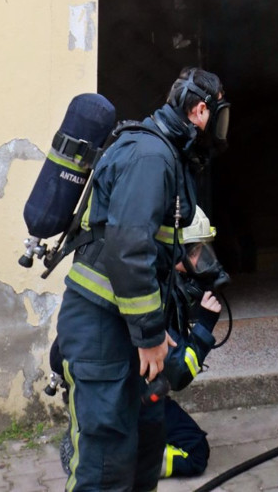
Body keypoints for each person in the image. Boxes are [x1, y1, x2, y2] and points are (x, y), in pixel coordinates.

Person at [56, 67, 229, 492]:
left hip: (126, 327)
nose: (220, 128)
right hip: (102, 330)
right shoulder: (151, 157)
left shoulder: (165, 154)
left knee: (143, 459)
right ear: (200, 111)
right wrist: (150, 335)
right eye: (220, 116)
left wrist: (154, 325)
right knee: (105, 471)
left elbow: (154, 253)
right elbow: (130, 250)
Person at [54, 206, 225, 481]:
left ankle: (99, 447)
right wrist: (204, 325)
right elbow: (179, 372)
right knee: (194, 452)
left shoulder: (148, 277)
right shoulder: (148, 293)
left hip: (126, 387)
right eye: (194, 251)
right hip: (123, 391)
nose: (200, 260)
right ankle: (107, 458)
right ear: (172, 249)